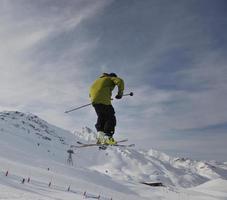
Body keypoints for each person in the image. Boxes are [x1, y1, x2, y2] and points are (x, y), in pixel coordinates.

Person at [89, 73, 124, 145]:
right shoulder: (110, 78)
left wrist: (105, 97)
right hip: (103, 100)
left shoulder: (98, 80)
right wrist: (120, 93)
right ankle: (108, 137)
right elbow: (120, 81)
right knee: (110, 117)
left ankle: (100, 137)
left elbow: (93, 91)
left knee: (101, 116)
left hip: (94, 101)